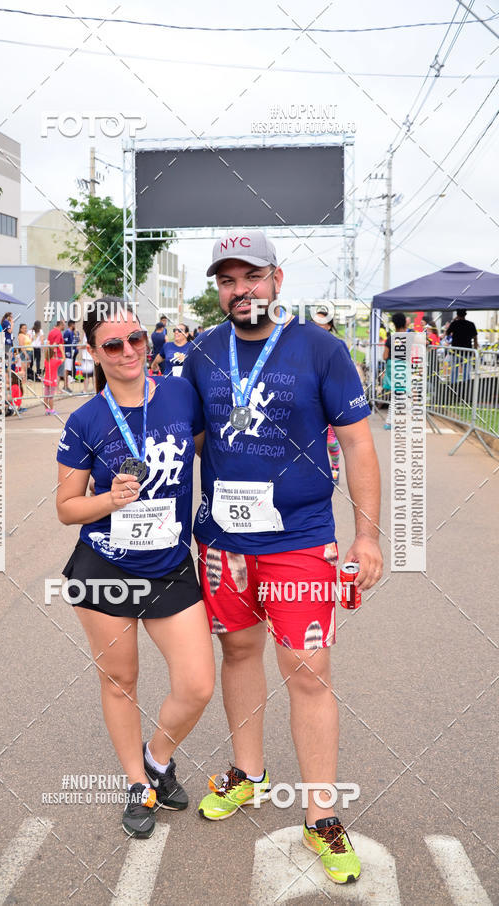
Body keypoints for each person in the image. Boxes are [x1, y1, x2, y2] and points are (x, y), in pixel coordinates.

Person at [182, 230, 382, 886]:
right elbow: (188, 442)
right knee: (237, 652)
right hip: (221, 541)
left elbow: (357, 447)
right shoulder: (202, 352)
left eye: (251, 277)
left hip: (297, 540)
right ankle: (249, 772)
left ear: (278, 278)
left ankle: (321, 813)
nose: (240, 291)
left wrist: (368, 536)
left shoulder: (322, 350)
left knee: (307, 670)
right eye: (227, 280)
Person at [56, 297, 214, 839]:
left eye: (137, 339)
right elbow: (65, 507)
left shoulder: (179, 393)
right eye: (113, 344)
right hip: (105, 566)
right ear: (93, 352)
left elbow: (201, 449)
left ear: (149, 340)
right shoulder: (86, 420)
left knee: (196, 685)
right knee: (121, 679)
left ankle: (157, 758)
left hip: (170, 564)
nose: (129, 352)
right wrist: (109, 500)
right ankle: (135, 783)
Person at [313, 306, 342, 485]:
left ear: (329, 325)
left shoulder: (336, 346)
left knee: (331, 440)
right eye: (314, 323)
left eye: (321, 323)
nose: (317, 326)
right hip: (311, 398)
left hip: (331, 396)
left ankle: (336, 467)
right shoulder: (307, 344)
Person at [382, 312, 406, 429]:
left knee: (395, 395)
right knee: (403, 395)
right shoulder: (409, 337)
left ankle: (389, 422)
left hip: (392, 367)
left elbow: (385, 356)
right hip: (404, 367)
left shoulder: (390, 338)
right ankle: (395, 421)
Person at [445, 309, 478, 383]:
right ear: (465, 314)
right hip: (467, 351)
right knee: (466, 372)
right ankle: (467, 387)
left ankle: (454, 387)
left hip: (455, 351)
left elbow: (447, 333)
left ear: (457, 315)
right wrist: (475, 351)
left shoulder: (454, 323)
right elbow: (475, 339)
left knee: (454, 372)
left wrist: (453, 320)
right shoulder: (471, 324)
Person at [47, 320, 66, 392]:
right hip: (58, 355)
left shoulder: (51, 331)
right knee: (58, 373)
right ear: (60, 325)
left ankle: (54, 388)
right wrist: (55, 353)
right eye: (63, 325)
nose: (64, 327)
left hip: (53, 355)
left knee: (54, 372)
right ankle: (56, 388)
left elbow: (48, 343)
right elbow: (55, 344)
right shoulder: (58, 333)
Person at [43, 345, 60, 414]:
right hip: (52, 381)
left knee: (46, 396)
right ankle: (52, 410)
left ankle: (47, 410)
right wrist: (61, 349)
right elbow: (63, 359)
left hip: (46, 380)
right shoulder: (55, 361)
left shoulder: (45, 361)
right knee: (51, 397)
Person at [62, 319, 76, 392]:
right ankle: (65, 386)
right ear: (72, 324)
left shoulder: (72, 332)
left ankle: (66, 386)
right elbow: (64, 342)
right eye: (74, 324)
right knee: (66, 370)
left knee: (68, 370)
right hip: (67, 353)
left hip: (70, 353)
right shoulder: (67, 332)